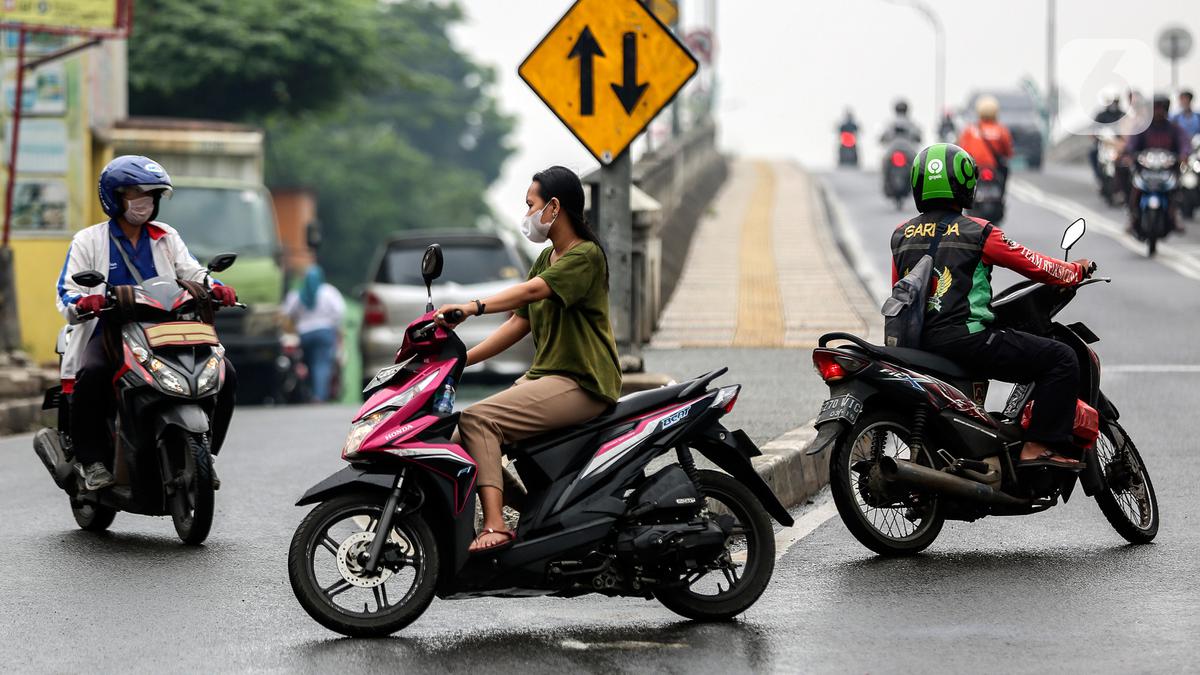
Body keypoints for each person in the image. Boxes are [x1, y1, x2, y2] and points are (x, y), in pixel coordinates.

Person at [435, 166, 621, 551]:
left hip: (582, 381)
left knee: (478, 420)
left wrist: (473, 306)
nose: (526, 215)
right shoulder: (547, 257)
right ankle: (539, 514)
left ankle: (496, 525)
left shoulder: (584, 256)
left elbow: (532, 292)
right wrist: (459, 362)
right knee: (452, 436)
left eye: (530, 205)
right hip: (547, 379)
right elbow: (519, 324)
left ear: (554, 207)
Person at [891, 144, 1092, 469]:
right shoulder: (979, 232)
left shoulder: (901, 236)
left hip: (920, 347)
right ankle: (1037, 446)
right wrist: (1074, 271)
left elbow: (900, 291)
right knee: (1062, 358)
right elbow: (1034, 264)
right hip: (967, 341)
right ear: (966, 184)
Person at [55, 155, 240, 490]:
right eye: (136, 193)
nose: (145, 201)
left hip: (167, 329)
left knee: (224, 373)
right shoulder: (89, 240)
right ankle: (91, 460)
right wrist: (85, 301)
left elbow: (193, 272)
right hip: (110, 330)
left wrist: (217, 288)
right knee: (93, 374)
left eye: (151, 195)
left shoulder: (166, 236)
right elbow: (66, 292)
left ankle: (205, 455)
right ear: (114, 196)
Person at [1124, 94, 1190, 235]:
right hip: (1145, 169)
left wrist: (1183, 155)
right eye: (1155, 108)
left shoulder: (1174, 128)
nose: (1158, 112)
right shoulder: (1142, 127)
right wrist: (1130, 154)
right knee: (1135, 186)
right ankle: (1133, 216)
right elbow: (1132, 144)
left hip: (1167, 169)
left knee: (1177, 188)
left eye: (1161, 108)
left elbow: (1184, 143)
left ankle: (1175, 214)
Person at [282, 264, 345, 403]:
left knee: (307, 363)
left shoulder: (298, 294)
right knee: (321, 364)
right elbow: (339, 312)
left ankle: (308, 393)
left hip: (304, 334)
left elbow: (287, 312)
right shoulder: (329, 292)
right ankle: (319, 395)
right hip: (325, 333)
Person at [956, 95, 1014, 183]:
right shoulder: (1001, 130)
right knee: (1005, 170)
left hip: (974, 167)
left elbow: (962, 150)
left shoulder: (970, 130)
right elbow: (1008, 152)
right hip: (994, 167)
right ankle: (1002, 193)